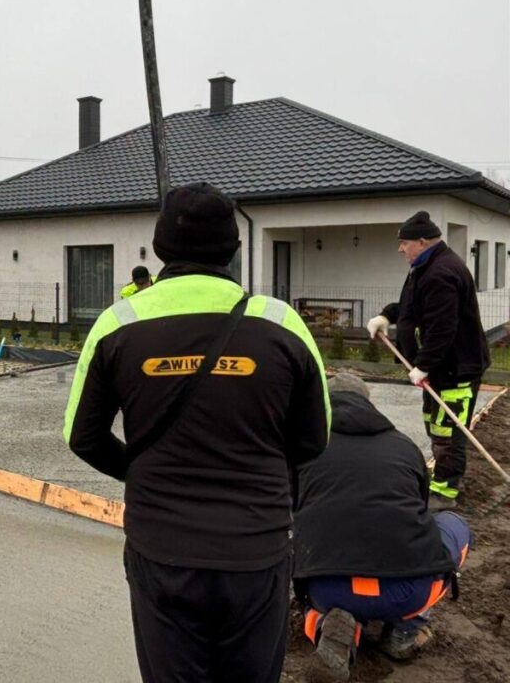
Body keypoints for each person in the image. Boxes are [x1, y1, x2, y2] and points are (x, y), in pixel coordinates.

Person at [64, 181, 330, 683]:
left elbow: (82, 436)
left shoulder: (117, 324)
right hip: (257, 550)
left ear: (161, 249)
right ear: (233, 249)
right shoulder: (282, 324)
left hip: (161, 549)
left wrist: (142, 473)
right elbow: (314, 439)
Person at [294, 372, 472, 682]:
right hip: (405, 591)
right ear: (369, 403)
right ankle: (407, 628)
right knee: (453, 523)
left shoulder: (303, 448)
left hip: (325, 588)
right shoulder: (404, 447)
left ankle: (324, 623)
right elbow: (420, 507)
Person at [366, 211, 490, 510]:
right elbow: (412, 306)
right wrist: (387, 315)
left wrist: (424, 365)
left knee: (448, 431)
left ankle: (445, 493)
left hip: (456, 369)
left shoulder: (442, 272)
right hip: (438, 369)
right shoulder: (423, 266)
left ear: (422, 242)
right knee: (434, 426)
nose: (400, 249)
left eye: (404, 243)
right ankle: (441, 477)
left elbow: (442, 327)